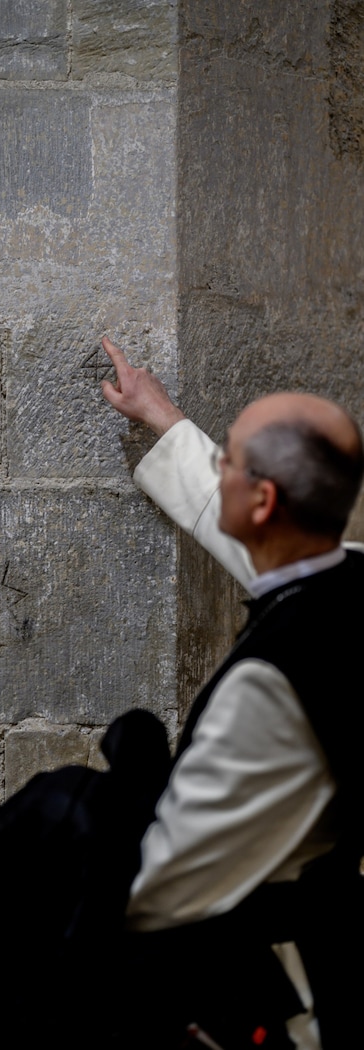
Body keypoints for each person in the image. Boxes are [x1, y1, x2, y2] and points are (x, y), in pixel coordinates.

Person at [99, 337, 364, 1049]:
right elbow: (277, 553)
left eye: (230, 461)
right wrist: (164, 420)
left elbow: (165, 887)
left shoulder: (271, 683)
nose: (221, 471)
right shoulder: (342, 586)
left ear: (266, 498)